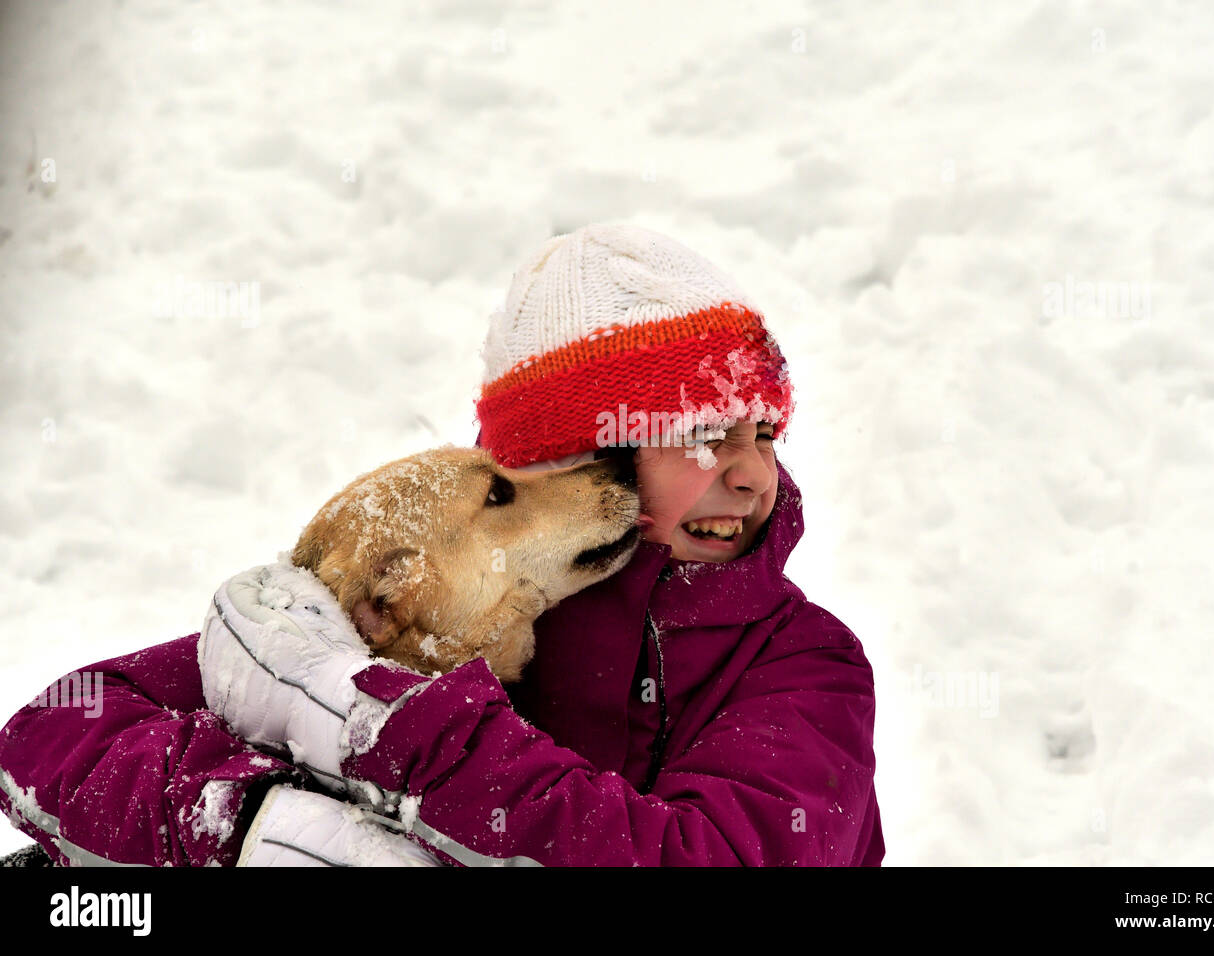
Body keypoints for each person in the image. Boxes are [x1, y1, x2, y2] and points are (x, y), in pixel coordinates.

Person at [0, 222, 885, 866]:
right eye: (701, 436)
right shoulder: (462, 614)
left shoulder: (807, 666)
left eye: (763, 433)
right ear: (574, 459)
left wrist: (373, 722)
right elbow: (53, 731)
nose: (749, 475)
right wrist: (260, 826)